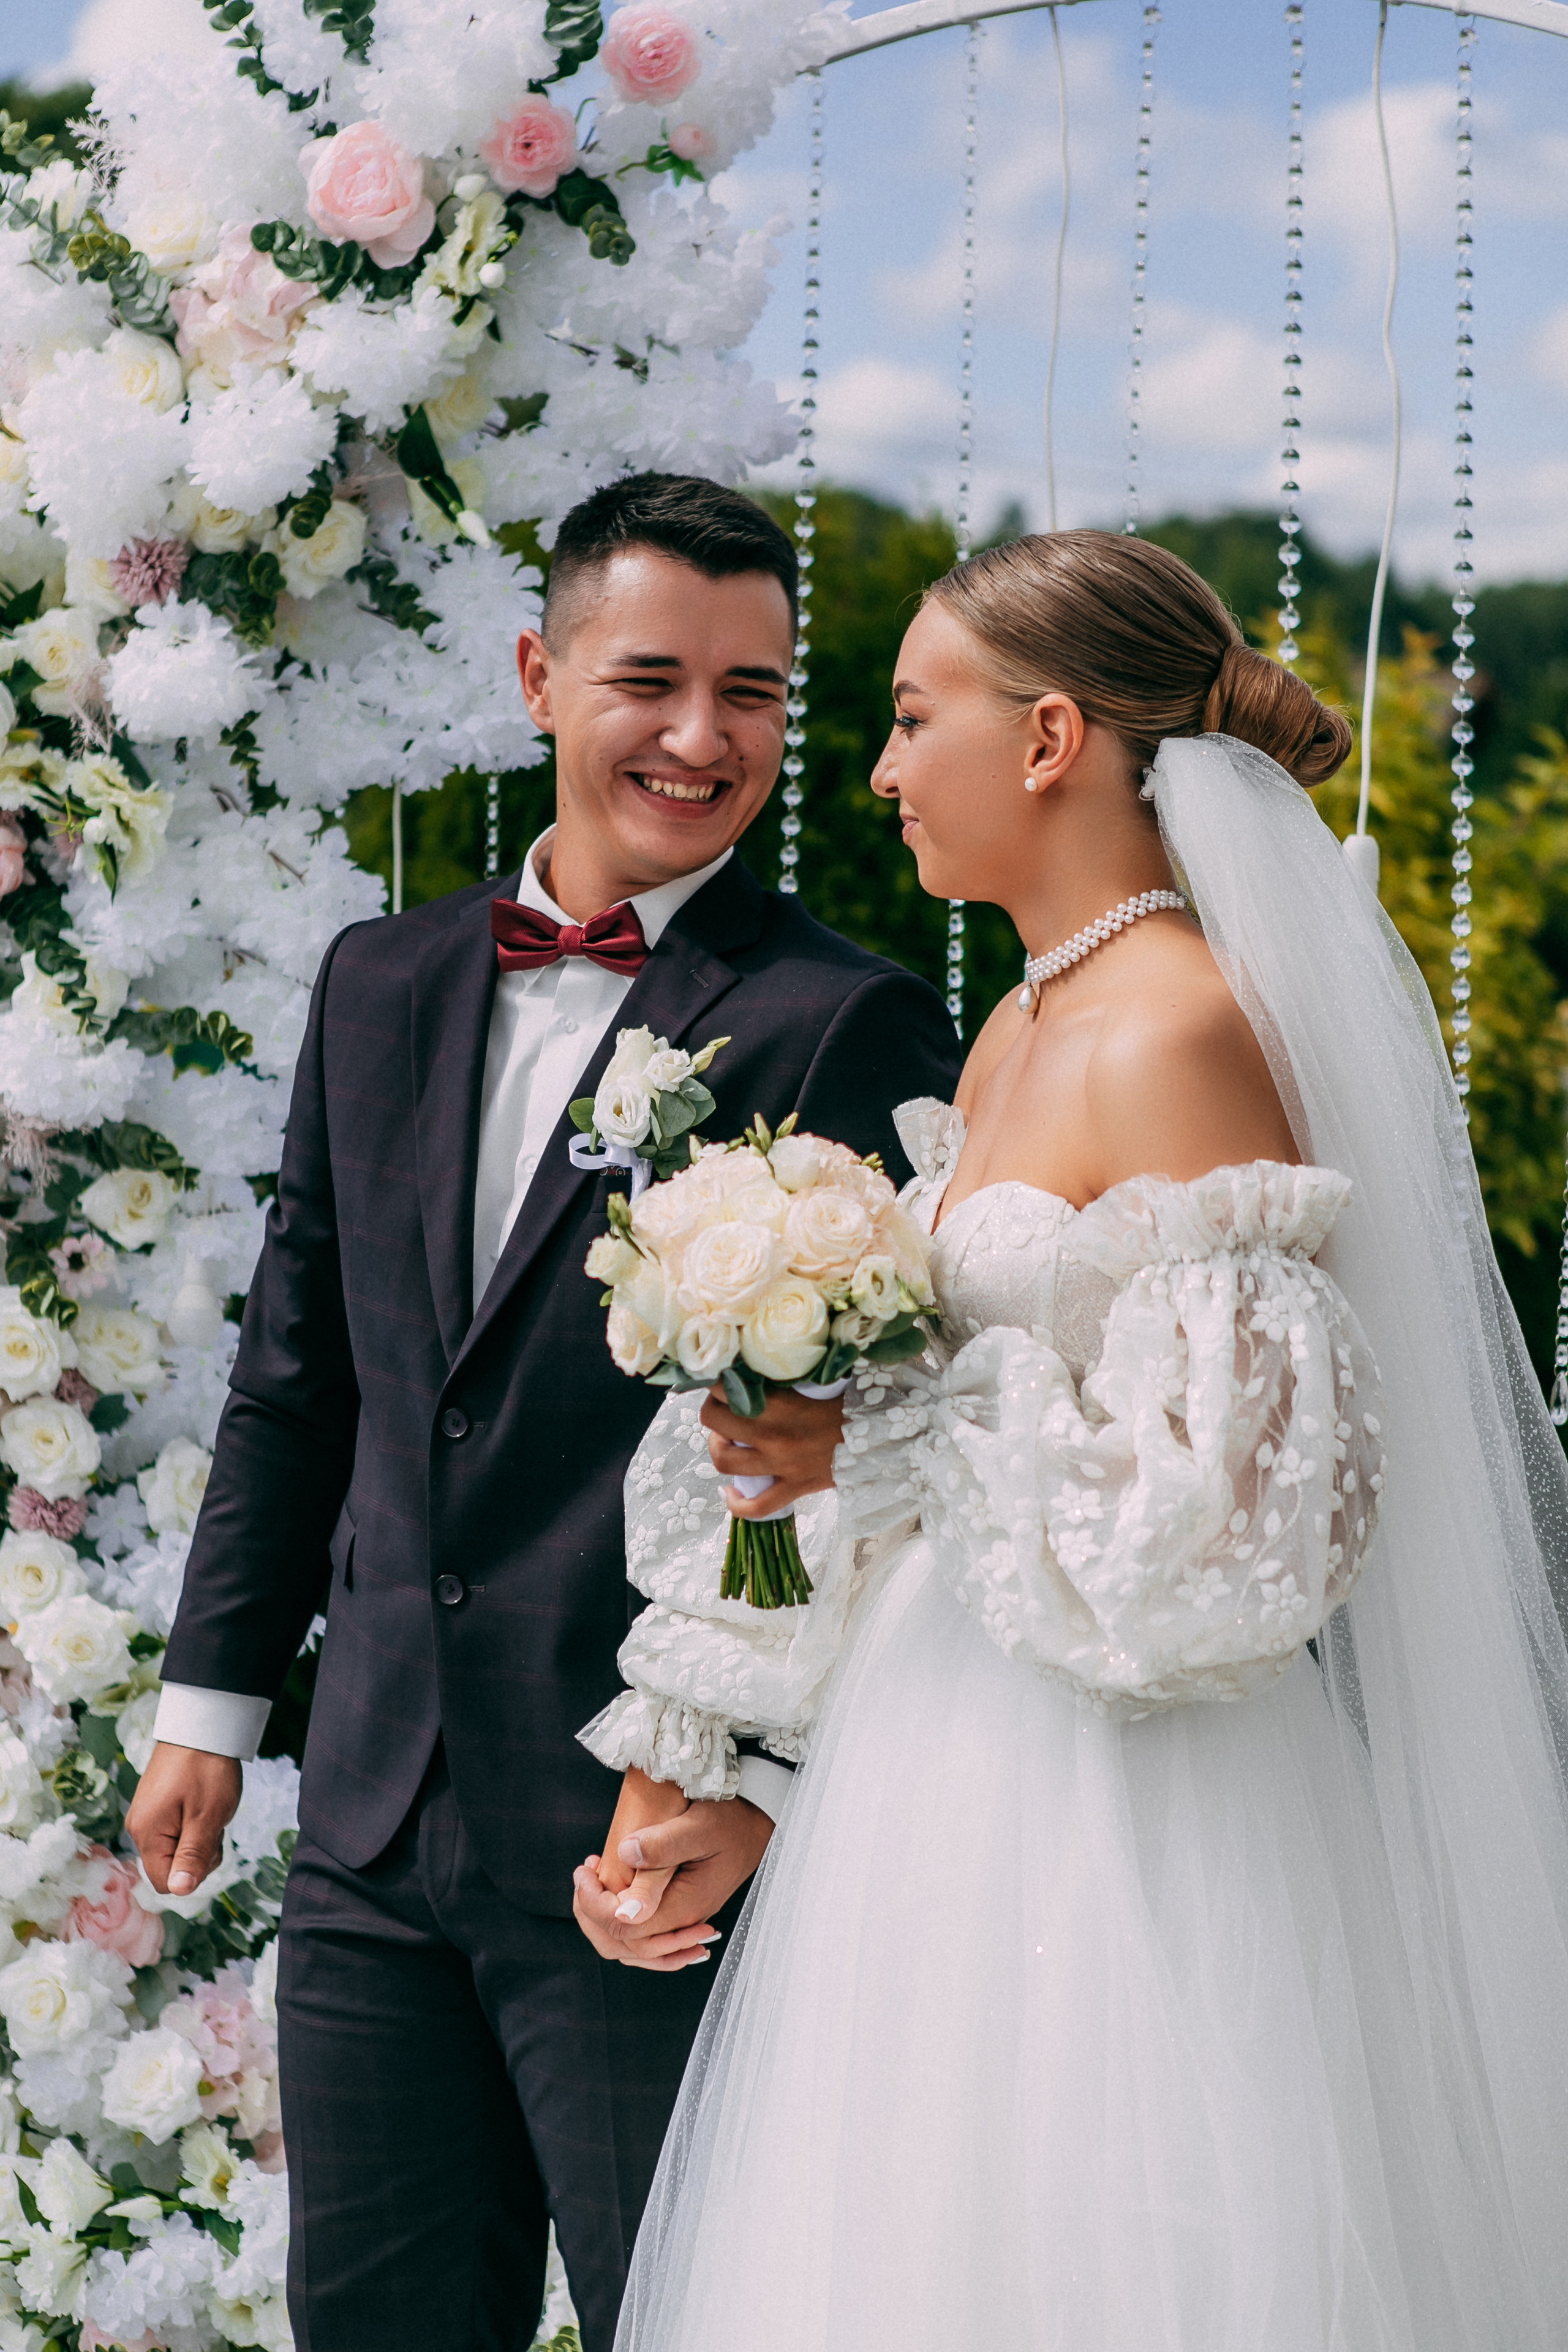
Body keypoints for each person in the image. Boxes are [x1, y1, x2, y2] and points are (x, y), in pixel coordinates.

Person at [581, 530, 1568, 2351]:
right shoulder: (1016, 1032)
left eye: (907, 717)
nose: (875, 772)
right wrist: (763, 1762)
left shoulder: (1175, 1029)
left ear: (1046, 740)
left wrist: (900, 1432)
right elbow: (966, 1470)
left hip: (1131, 1817)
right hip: (928, 1779)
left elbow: (1251, 1533)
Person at [124, 472, 963, 2352]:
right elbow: (299, 1376)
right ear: (538, 672)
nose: (700, 736)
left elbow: (882, 1480)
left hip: (644, 1837)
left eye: (753, 692)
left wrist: (747, 1789)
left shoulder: (849, 1020)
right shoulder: (380, 978)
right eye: (652, 677)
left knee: (694, 2315)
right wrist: (212, 1703)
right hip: (368, 1821)